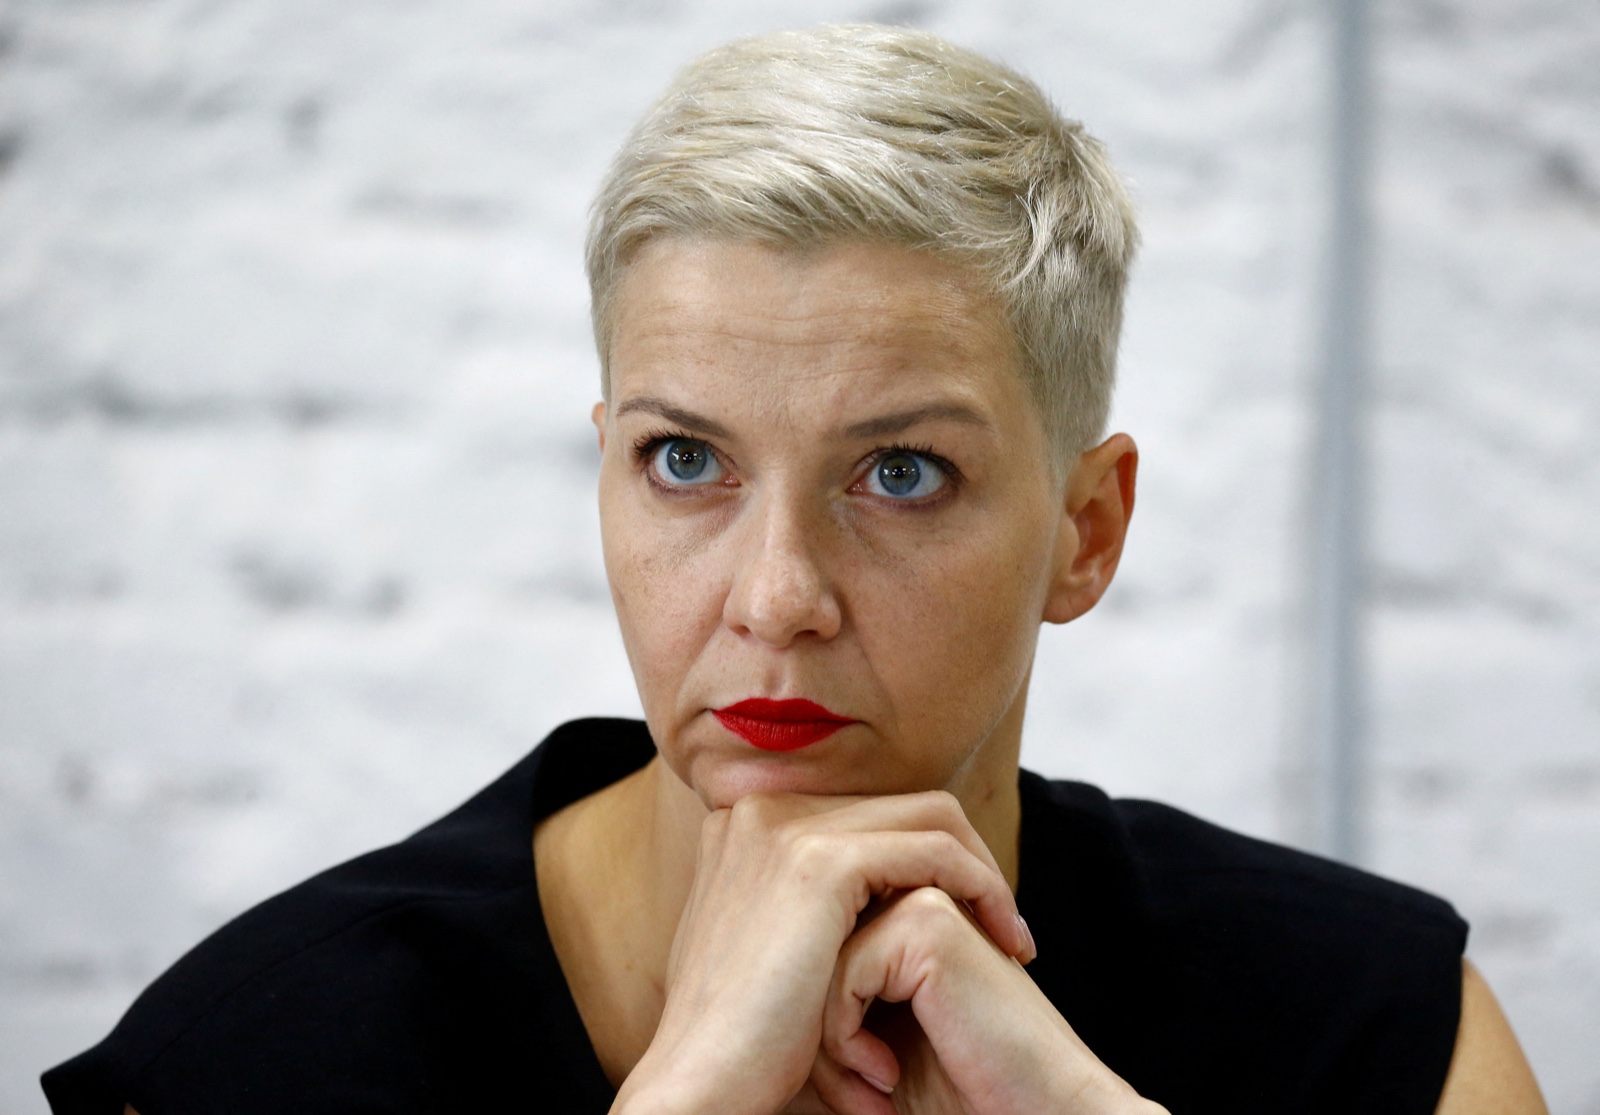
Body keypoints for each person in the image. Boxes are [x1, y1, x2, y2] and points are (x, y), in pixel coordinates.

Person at [43, 23, 1545, 1115]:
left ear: (1086, 532)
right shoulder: (254, 1065)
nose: (774, 598)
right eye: (684, 460)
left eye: (901, 474)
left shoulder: (1378, 1040)